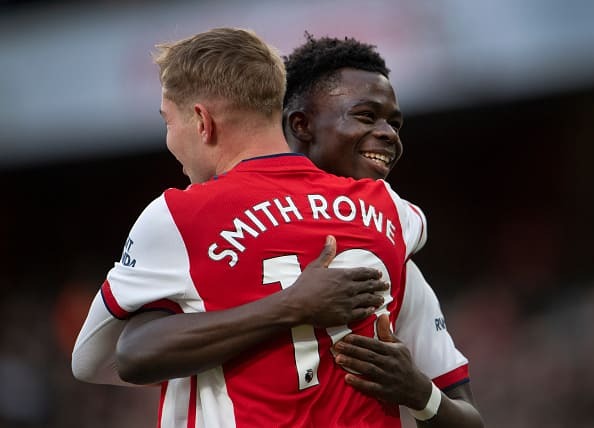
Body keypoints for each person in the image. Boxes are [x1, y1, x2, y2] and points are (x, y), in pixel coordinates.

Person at [72, 28, 483, 427]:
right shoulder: (392, 212)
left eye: (167, 121)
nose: (388, 136)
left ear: (201, 120)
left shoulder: (180, 215)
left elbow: (98, 359)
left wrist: (282, 308)